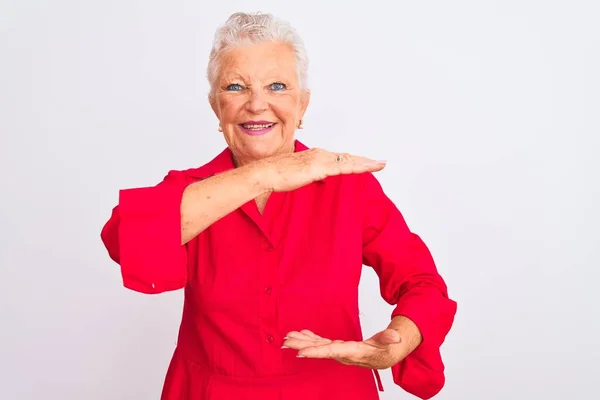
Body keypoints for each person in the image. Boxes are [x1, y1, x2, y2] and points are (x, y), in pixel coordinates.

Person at [100, 11, 457, 400]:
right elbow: (126, 242)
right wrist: (264, 174)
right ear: (215, 106)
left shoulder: (349, 188)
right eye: (235, 87)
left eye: (277, 86)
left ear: (302, 104)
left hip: (332, 390)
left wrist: (400, 339)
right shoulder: (191, 191)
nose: (256, 104)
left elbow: (422, 284)